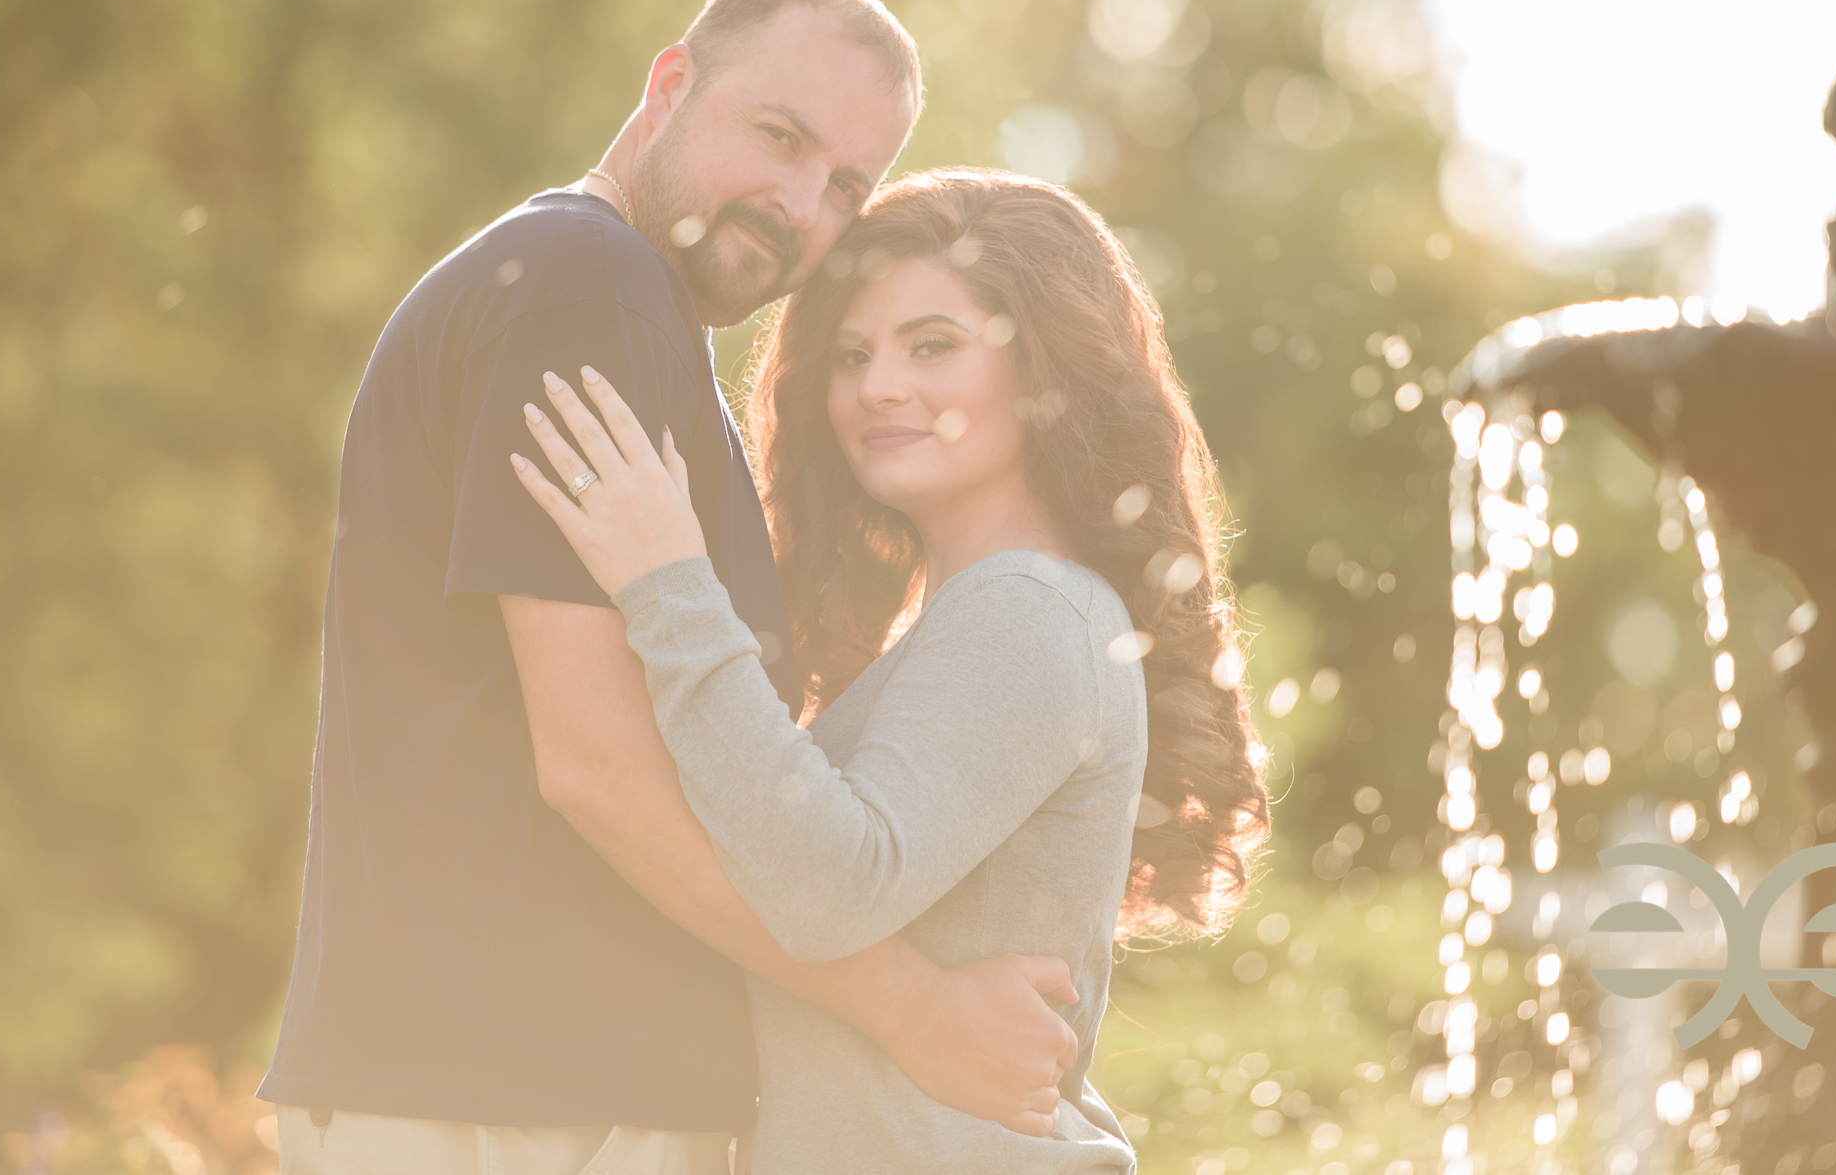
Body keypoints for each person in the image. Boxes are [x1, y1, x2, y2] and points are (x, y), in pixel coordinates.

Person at [261, 0, 1085, 1175]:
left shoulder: (603, 303)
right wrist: (915, 1011)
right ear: (669, 84)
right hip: (520, 1108)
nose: (799, 201)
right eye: (778, 135)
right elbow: (598, 763)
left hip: (521, 1089)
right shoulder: (585, 288)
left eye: (845, 182)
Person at [513, 170, 1273, 1172]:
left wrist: (667, 582)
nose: (877, 385)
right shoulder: (973, 620)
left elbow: (831, 886)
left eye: (932, 345)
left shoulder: (1029, 609)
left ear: (1045, 369)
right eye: (853, 353)